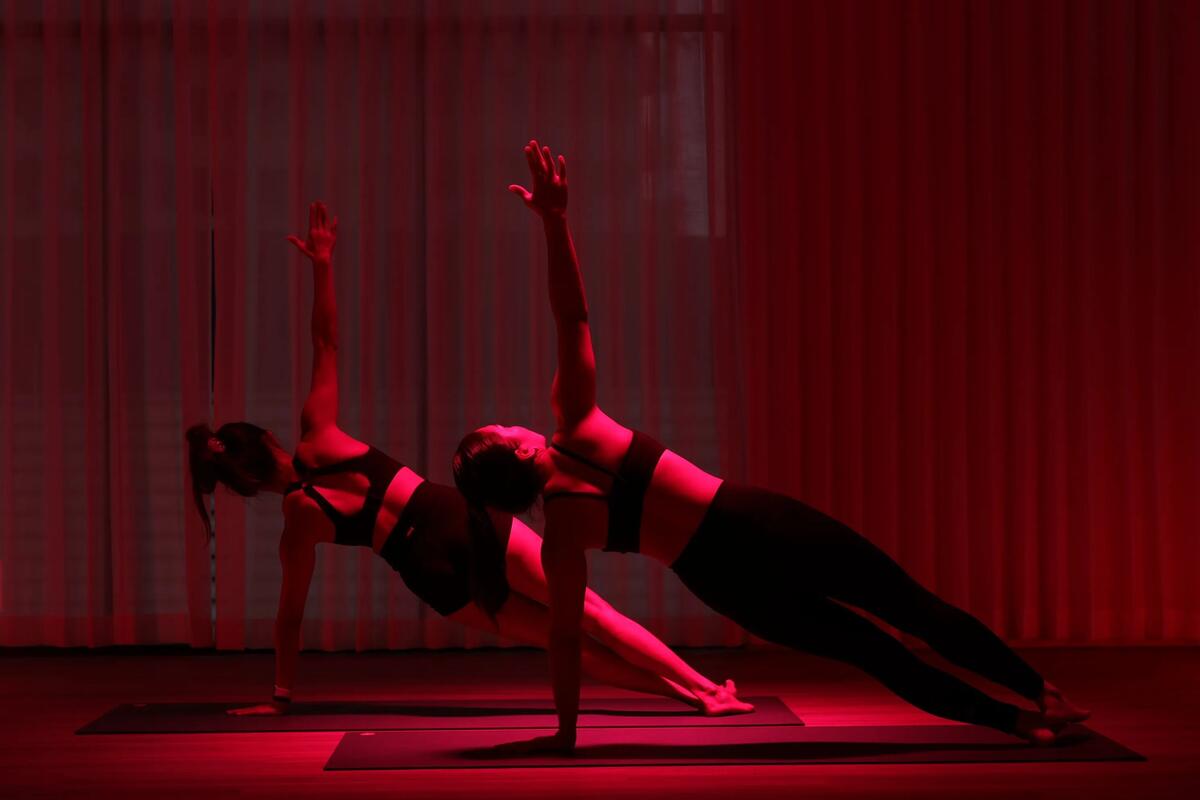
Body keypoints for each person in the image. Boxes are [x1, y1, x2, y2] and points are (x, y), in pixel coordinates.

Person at [452, 141, 1091, 753]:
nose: (512, 421)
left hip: (721, 579)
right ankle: (1042, 697)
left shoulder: (561, 532)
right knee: (908, 608)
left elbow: (566, 636)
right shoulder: (579, 423)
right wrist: (555, 222)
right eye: (504, 430)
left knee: (874, 649)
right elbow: (573, 317)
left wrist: (567, 731)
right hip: (756, 523)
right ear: (522, 454)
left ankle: (1017, 723)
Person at [187, 201, 751, 717]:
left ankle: (688, 698)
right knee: (590, 612)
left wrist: (281, 698)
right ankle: (703, 690)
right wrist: (323, 264)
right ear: (268, 440)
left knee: (562, 635)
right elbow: (325, 344)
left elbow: (289, 619)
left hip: (428, 573)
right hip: (454, 518)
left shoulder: (297, 523)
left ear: (244, 485)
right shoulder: (318, 436)